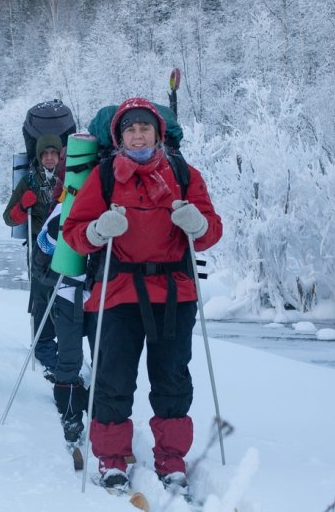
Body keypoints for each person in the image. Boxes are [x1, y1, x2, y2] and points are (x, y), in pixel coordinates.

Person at [61, 98, 222, 495]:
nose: (138, 134)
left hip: (174, 294)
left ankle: (172, 459)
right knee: (113, 380)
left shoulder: (184, 174)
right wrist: (98, 231)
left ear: (157, 133)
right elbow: (74, 233)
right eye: (130, 129)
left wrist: (197, 223)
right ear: (118, 137)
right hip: (117, 291)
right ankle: (112, 460)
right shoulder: (104, 177)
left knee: (173, 380)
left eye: (144, 128)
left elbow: (211, 232)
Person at [32, 185, 96, 446]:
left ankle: (103, 416)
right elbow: (41, 255)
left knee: (108, 360)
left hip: (105, 294)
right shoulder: (63, 208)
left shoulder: (114, 203)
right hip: (69, 291)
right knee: (69, 358)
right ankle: (70, 414)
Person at [3, 134, 63, 381]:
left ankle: (66, 346)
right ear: (39, 157)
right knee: (41, 296)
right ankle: (44, 347)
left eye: (53, 153)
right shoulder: (29, 180)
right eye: (44, 154)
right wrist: (21, 208)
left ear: (60, 155)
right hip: (39, 248)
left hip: (67, 246)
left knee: (67, 297)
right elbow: (8, 218)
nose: (49, 158)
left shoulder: (70, 177)